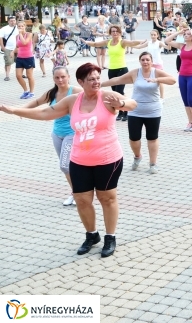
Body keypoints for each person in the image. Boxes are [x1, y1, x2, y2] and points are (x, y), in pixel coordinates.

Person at [0, 62, 137, 257]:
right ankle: (92, 235)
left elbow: (133, 104)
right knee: (82, 200)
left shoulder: (107, 97)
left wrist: (121, 104)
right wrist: (15, 111)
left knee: (107, 198)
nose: (96, 82)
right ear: (81, 81)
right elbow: (45, 112)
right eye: (91, 79)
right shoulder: (73, 101)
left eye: (98, 78)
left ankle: (110, 237)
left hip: (108, 158)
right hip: (80, 159)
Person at [102, 52, 176, 174]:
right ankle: (137, 156)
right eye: (143, 59)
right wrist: (100, 84)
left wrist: (156, 79)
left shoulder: (156, 72)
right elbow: (118, 80)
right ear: (139, 61)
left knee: (152, 137)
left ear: (151, 61)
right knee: (134, 138)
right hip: (135, 110)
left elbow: (172, 80)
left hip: (153, 111)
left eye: (147, 59)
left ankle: (153, 163)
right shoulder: (135, 73)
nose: (145, 62)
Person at [22, 66, 83, 205]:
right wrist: (20, 110)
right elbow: (37, 102)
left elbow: (93, 100)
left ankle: (78, 193)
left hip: (72, 133)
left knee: (64, 165)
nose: (60, 80)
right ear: (53, 78)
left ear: (68, 76)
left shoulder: (76, 92)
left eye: (63, 76)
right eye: (57, 77)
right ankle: (76, 193)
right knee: (68, 165)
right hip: (57, 133)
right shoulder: (52, 93)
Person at [84, 25, 140, 121]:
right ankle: (120, 111)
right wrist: (87, 42)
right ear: (110, 33)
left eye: (116, 31)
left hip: (122, 69)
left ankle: (125, 111)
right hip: (112, 70)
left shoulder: (122, 42)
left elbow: (133, 42)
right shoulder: (108, 42)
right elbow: (96, 44)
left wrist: (142, 42)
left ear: (119, 32)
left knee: (119, 91)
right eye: (113, 31)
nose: (114, 33)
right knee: (114, 93)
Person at [165, 24, 192, 132]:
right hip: (182, 76)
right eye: (185, 34)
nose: (186, 36)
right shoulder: (182, 46)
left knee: (191, 100)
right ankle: (190, 122)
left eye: (188, 34)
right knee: (185, 101)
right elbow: (167, 40)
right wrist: (179, 32)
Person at [134, 30, 169, 99]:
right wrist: (128, 44)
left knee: (160, 81)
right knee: (148, 80)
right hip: (149, 64)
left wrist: (169, 41)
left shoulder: (159, 43)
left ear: (157, 35)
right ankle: (149, 96)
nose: (153, 36)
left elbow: (168, 48)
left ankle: (162, 97)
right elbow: (139, 47)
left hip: (158, 64)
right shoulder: (148, 43)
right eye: (152, 35)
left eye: (154, 35)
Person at [14, 24, 37, 99]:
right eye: (19, 26)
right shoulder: (17, 36)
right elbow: (17, 46)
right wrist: (13, 52)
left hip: (28, 57)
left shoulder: (29, 34)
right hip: (20, 58)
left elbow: (24, 43)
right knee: (18, 76)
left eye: (22, 26)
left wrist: (20, 34)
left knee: (29, 76)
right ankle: (25, 91)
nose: (20, 28)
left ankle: (32, 92)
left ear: (25, 27)